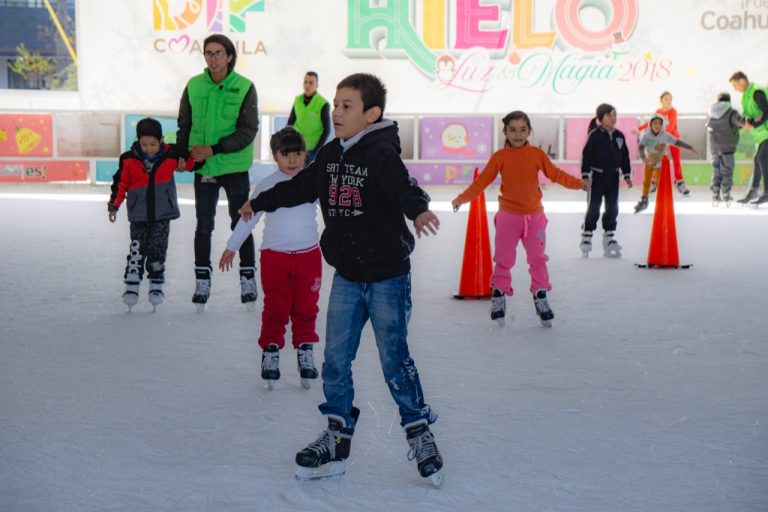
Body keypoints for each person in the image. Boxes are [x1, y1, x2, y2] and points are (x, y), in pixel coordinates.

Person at [239, 73, 444, 486]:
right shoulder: (331, 154)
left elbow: (405, 187)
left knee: (394, 360)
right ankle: (336, 437)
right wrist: (259, 201)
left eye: (347, 106)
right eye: (335, 104)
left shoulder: (382, 155)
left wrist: (418, 210)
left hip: (387, 276)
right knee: (334, 360)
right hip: (348, 277)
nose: (336, 112)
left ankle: (420, 433)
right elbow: (298, 187)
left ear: (372, 114)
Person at [450, 111, 588, 328]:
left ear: (529, 131)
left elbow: (555, 174)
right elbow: (481, 182)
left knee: (538, 258)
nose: (518, 134)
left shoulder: (536, 154)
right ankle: (498, 294)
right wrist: (461, 199)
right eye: (512, 129)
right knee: (503, 259)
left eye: (523, 129)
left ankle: (540, 295)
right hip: (508, 217)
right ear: (505, 131)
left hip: (534, 217)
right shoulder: (500, 157)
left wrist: (579, 184)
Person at [219, 127, 321, 390]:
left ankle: (305, 350)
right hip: (275, 258)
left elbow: (333, 212)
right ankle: (271, 351)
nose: (292, 160)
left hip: (308, 256)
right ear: (275, 156)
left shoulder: (312, 181)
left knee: (306, 306)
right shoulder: (267, 185)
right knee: (276, 306)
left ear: (305, 155)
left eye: (297, 154)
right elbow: (248, 216)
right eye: (285, 154)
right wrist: (232, 245)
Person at [176, 33, 260, 311]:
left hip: (233, 167)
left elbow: (248, 131)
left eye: (218, 53)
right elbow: (184, 126)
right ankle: (202, 280)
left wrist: (215, 148)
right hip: (204, 169)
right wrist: (181, 155)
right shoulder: (194, 85)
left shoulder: (245, 86)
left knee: (241, 223)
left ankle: (248, 277)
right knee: (204, 225)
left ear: (230, 57)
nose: (213, 58)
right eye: (208, 53)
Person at [108, 118, 190, 312]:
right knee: (137, 249)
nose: (148, 149)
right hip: (139, 216)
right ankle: (132, 283)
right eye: (144, 144)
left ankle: (156, 285)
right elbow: (120, 184)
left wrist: (183, 158)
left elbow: (189, 158)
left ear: (161, 140)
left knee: (157, 251)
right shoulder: (129, 159)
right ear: (138, 141)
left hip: (162, 215)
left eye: (153, 144)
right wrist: (114, 205)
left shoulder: (170, 155)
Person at [580, 103, 632, 258]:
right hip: (597, 177)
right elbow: (586, 156)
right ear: (600, 118)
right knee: (593, 207)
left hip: (613, 178)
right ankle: (587, 236)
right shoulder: (594, 136)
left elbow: (625, 157)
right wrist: (585, 176)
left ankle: (609, 237)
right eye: (609, 115)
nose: (613, 118)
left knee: (612, 207)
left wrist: (627, 174)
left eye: (615, 114)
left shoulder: (619, 136)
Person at [634, 113, 698, 213]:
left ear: (662, 125)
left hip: (660, 164)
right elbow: (641, 148)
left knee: (661, 184)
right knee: (646, 182)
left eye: (659, 123)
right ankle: (644, 200)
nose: (657, 126)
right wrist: (644, 158)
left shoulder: (666, 136)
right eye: (655, 123)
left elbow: (677, 142)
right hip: (649, 162)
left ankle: (663, 202)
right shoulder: (646, 135)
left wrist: (690, 147)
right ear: (651, 124)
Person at [636, 91, 690, 195]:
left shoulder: (673, 111)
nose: (669, 101)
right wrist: (639, 128)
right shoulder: (658, 111)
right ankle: (653, 182)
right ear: (661, 101)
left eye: (670, 99)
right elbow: (650, 123)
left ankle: (680, 183)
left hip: (672, 139)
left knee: (676, 161)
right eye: (666, 99)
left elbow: (670, 127)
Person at [729, 71, 768, 205]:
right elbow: (748, 116)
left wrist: (756, 122)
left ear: (742, 81)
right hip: (762, 135)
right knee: (757, 160)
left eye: (735, 85)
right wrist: (746, 122)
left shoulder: (756, 92)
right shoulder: (746, 96)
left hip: (766, 132)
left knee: (762, 158)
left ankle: (766, 192)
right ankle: (752, 192)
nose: (734, 89)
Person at [706, 92, 744, 206]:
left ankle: (715, 194)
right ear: (728, 101)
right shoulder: (731, 112)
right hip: (727, 147)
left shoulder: (710, 112)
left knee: (716, 171)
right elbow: (740, 123)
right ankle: (726, 194)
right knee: (727, 171)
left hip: (714, 147)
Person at [287, 71, 331, 163]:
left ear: (317, 85)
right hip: (296, 150)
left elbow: (327, 130)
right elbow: (290, 122)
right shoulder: (297, 100)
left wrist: (315, 152)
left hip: (311, 152)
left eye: (311, 83)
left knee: (310, 177)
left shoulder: (323, 104)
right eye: (305, 82)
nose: (307, 85)